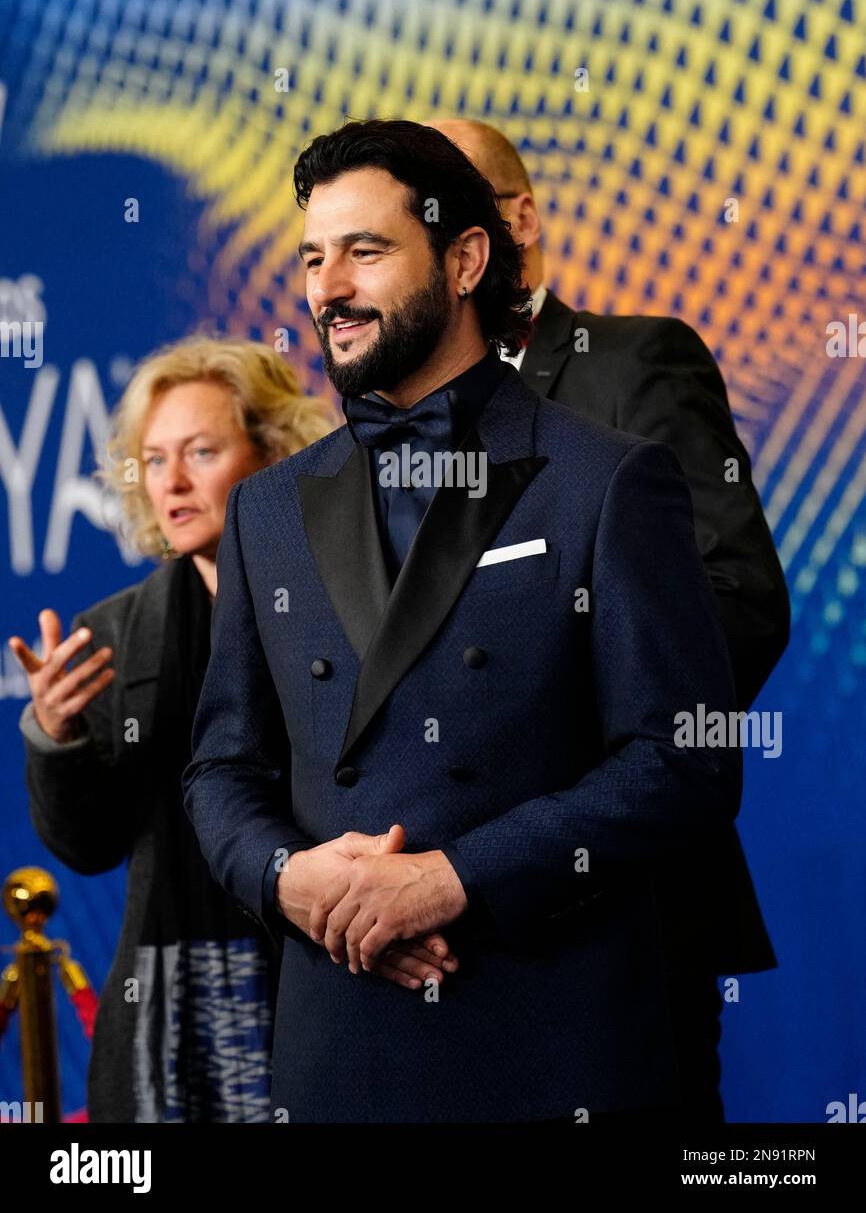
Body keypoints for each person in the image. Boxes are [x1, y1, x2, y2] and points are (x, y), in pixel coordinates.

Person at [184, 120, 744, 1123]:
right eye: (313, 257)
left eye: (364, 250)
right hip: (341, 1042)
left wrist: (451, 878)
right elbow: (221, 770)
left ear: (465, 258)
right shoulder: (265, 509)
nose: (327, 288)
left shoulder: (606, 477)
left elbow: (681, 761)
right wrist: (290, 880)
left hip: (552, 1039)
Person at [422, 119, 791, 1116]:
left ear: (518, 220)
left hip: (619, 910)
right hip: (443, 933)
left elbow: (736, 595)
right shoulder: (392, 426)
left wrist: (548, 777)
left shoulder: (632, 363)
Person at [10, 336, 339, 1123]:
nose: (174, 483)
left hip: (321, 978)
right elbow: (88, 845)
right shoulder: (112, 635)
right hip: (165, 1013)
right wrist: (55, 735)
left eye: (200, 451)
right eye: (154, 461)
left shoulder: (344, 606)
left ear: (274, 453)